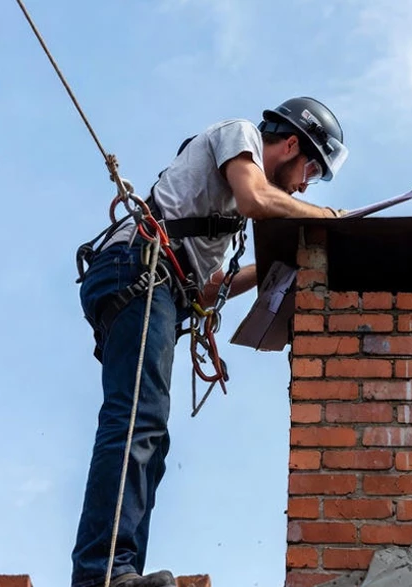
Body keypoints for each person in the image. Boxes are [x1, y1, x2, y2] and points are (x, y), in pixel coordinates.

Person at [71, 97, 348, 587]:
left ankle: (120, 569)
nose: (305, 183)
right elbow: (256, 201)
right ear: (289, 144)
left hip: (157, 284)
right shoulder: (238, 134)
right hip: (137, 270)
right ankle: (102, 575)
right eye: (310, 169)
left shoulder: (227, 205)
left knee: (150, 434)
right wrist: (324, 216)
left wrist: (279, 263)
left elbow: (209, 288)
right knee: (137, 417)